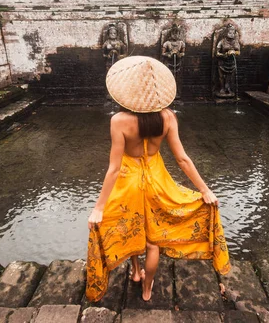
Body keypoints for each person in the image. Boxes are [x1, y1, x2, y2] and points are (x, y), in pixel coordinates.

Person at [86, 56, 230, 302]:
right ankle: (146, 289)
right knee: (153, 243)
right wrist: (205, 190)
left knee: (130, 223)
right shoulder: (168, 118)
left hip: (127, 180)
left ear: (126, 93)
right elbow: (183, 159)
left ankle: (134, 270)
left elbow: (113, 168)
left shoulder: (119, 121)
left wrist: (99, 207)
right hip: (157, 179)